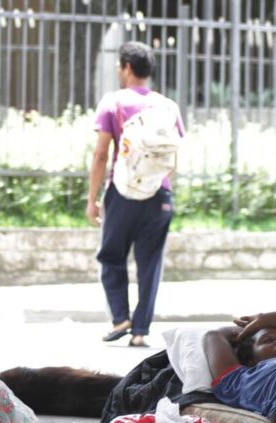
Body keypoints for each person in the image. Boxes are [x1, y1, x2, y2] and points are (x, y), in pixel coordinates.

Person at [87, 41, 185, 347]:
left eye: (119, 65)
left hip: (123, 193)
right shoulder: (168, 106)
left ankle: (121, 318)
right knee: (150, 263)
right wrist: (159, 184)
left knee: (111, 255)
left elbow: (101, 154)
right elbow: (174, 155)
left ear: (127, 67)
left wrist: (92, 199)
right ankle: (141, 330)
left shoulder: (113, 102)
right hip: (159, 195)